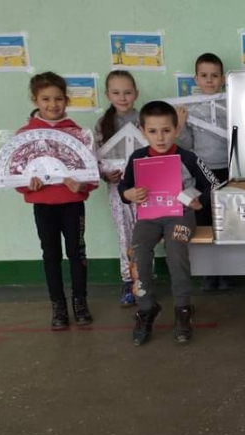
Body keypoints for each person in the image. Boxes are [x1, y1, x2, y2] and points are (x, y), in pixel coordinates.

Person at [118, 101, 219, 346]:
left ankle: (183, 308)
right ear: (143, 131)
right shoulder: (137, 158)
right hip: (149, 217)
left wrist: (199, 200)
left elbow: (213, 184)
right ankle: (146, 308)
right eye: (153, 131)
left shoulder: (188, 157)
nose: (160, 137)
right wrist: (128, 194)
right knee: (138, 252)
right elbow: (124, 186)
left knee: (175, 249)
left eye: (166, 130)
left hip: (181, 215)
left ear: (176, 129)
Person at [16, 72, 97, 330]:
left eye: (58, 99)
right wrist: (27, 183)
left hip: (72, 203)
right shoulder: (25, 135)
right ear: (35, 99)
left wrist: (82, 185)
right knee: (50, 255)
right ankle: (58, 306)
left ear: (66, 100)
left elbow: (92, 174)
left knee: (77, 252)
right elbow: (14, 173)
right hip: (43, 205)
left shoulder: (78, 134)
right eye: (46, 99)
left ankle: (80, 302)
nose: (53, 104)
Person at [176, 52, 232, 292]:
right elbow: (187, 144)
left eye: (214, 75)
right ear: (196, 79)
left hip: (228, 170)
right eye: (204, 75)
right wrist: (180, 125)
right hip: (201, 171)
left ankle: (227, 272)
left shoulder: (230, 104)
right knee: (203, 219)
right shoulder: (191, 108)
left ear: (222, 79)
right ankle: (209, 272)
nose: (209, 80)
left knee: (226, 220)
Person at [94, 70, 139, 307]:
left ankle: (144, 280)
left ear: (136, 94)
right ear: (107, 95)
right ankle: (127, 281)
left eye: (127, 92)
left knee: (145, 236)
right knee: (124, 236)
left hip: (144, 190)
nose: (122, 97)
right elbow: (97, 158)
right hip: (116, 190)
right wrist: (105, 174)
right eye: (116, 93)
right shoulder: (103, 124)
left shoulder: (144, 119)